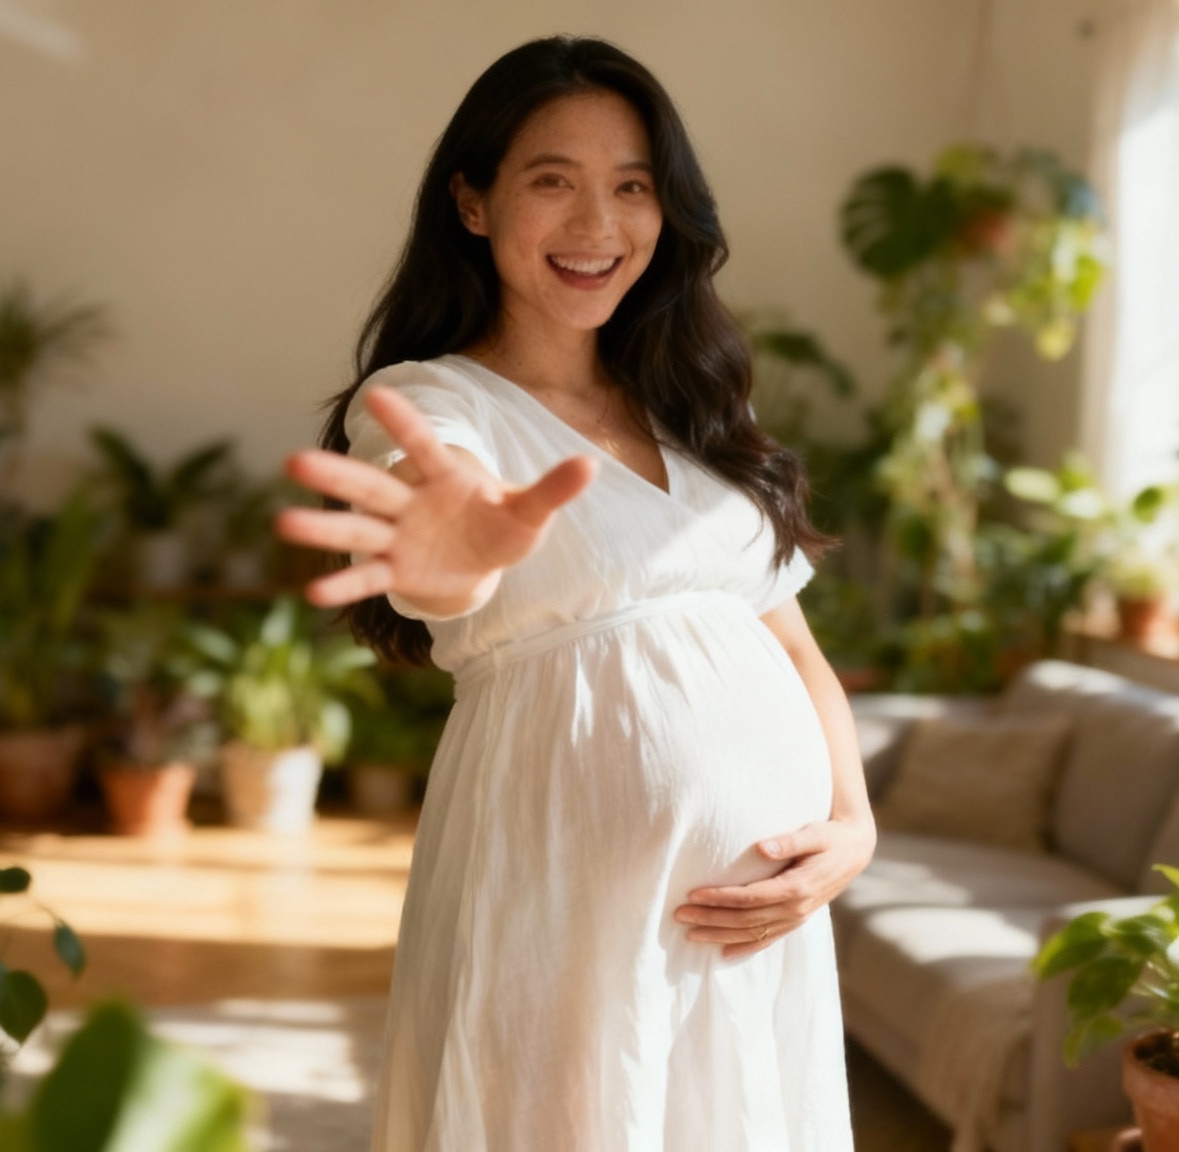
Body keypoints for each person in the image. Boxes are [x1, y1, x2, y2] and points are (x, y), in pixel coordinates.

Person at [273, 35, 875, 1151]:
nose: (598, 225)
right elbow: (437, 516)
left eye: (631, 185)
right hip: (557, 885)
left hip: (755, 933)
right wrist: (453, 560)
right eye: (552, 181)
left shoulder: (695, 413)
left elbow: (791, 649)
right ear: (471, 201)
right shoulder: (428, 400)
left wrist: (852, 826)